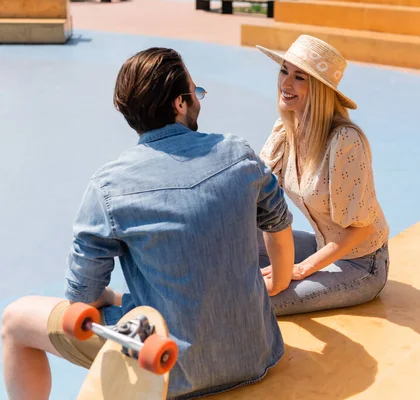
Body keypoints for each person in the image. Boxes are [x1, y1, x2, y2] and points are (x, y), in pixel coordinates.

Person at [1, 47, 295, 400]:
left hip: (168, 369)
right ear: (180, 104)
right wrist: (277, 283)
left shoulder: (109, 187)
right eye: (194, 90)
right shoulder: (239, 154)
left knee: (14, 321)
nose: (197, 98)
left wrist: (110, 296)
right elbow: (278, 224)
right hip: (257, 354)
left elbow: (80, 298)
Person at [255, 35, 390, 316]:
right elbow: (256, 192)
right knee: (236, 237)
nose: (286, 84)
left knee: (254, 300)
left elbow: (361, 228)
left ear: (319, 89)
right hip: (321, 245)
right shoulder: (286, 131)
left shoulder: (345, 141)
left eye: (300, 77)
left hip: (361, 264)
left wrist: (301, 269)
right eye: (284, 71)